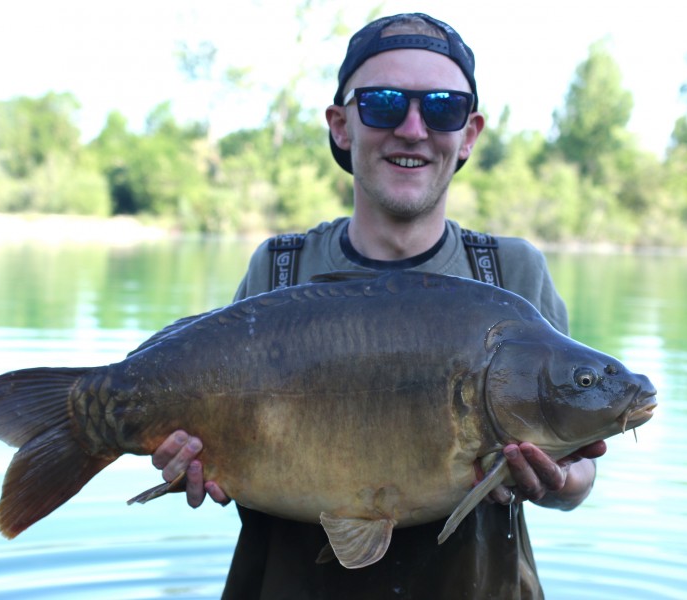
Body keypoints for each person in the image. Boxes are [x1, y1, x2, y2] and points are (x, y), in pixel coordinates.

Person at [152, 13, 605, 599]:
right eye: (385, 104)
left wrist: (561, 482)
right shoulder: (278, 269)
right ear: (341, 126)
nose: (413, 129)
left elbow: (581, 468)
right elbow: (219, 448)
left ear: (468, 133)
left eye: (441, 108)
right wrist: (190, 457)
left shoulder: (513, 277)